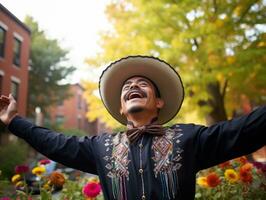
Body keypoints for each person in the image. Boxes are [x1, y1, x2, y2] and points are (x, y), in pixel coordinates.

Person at [0, 55, 265, 200]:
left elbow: (243, 130)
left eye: (142, 83)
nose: (132, 86)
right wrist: (14, 120)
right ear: (121, 107)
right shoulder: (100, 147)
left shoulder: (188, 137)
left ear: (159, 102)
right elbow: (54, 143)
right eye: (127, 86)